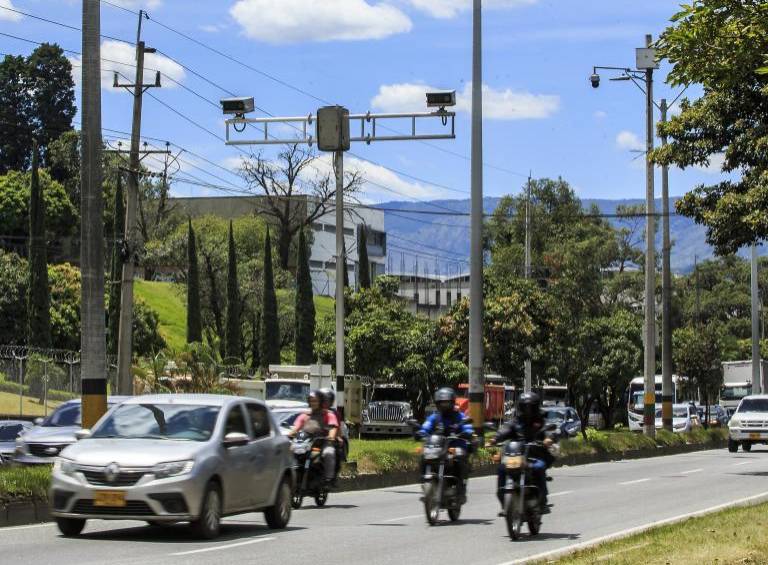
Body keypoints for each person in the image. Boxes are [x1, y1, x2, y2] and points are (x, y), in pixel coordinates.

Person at [488, 392, 555, 515]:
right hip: (516, 455)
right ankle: (504, 502)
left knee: (539, 467)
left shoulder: (540, 421)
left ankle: (543, 502)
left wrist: (548, 439)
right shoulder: (516, 421)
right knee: (502, 468)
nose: (527, 410)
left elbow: (549, 431)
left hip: (534, 455)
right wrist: (495, 439)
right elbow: (505, 430)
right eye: (525, 407)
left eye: (530, 407)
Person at [417, 387, 474, 501]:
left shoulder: (459, 416)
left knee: (459, 456)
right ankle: (424, 480)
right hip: (438, 447)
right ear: (438, 404)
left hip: (455, 445)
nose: (444, 406)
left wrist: (466, 432)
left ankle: (461, 487)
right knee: (423, 455)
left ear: (452, 403)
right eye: (442, 403)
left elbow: (467, 426)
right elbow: (426, 427)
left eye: (447, 403)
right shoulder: (435, 417)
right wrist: (421, 432)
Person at [289, 390, 338, 487]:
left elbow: (333, 427)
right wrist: (289, 435)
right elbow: (295, 429)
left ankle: (328, 479)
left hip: (322, 443)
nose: (313, 403)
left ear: (321, 402)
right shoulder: (304, 415)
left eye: (315, 401)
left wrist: (331, 436)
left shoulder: (328, 415)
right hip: (305, 443)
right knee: (289, 451)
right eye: (311, 401)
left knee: (329, 453)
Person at [319, 388, 348, 485]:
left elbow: (337, 427)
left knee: (332, 452)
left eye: (326, 400)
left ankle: (331, 477)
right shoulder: (313, 411)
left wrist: (337, 437)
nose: (324, 402)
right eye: (322, 399)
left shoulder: (333, 414)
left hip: (327, 440)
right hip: (313, 440)